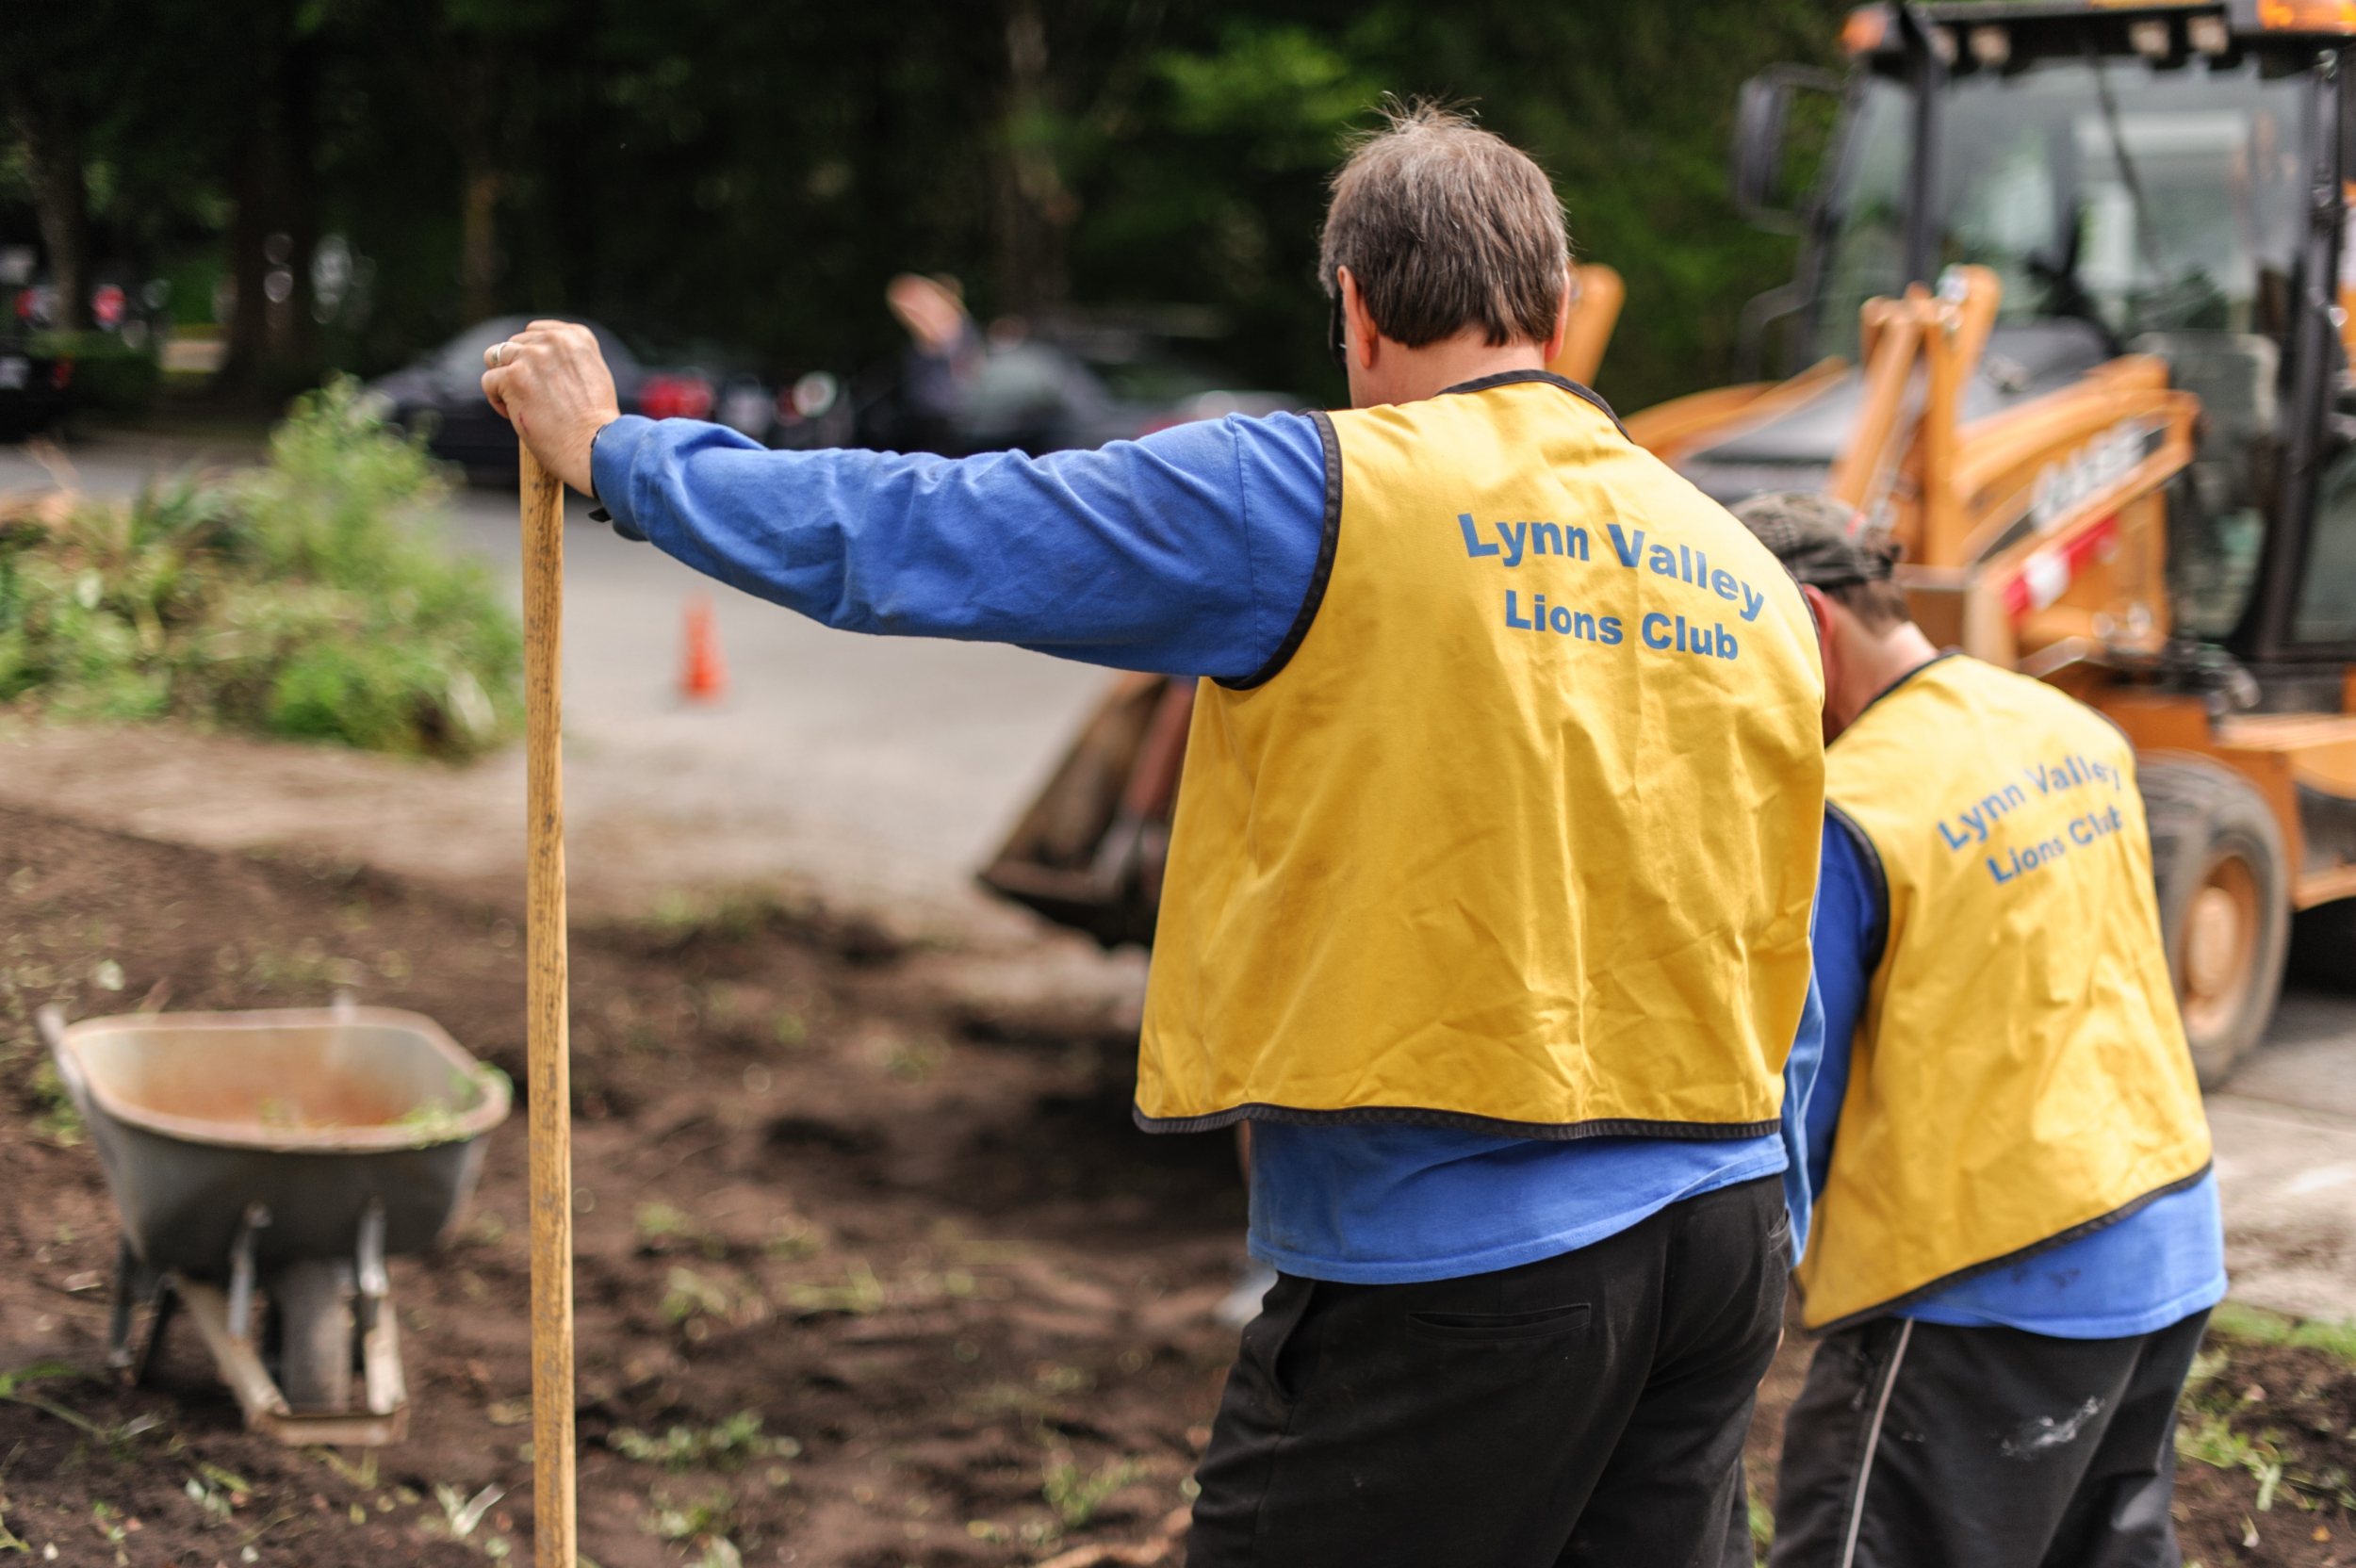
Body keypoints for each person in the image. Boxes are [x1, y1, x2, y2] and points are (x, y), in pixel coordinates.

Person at [484, 102, 1828, 1567]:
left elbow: (915, 530)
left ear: (1357, 312)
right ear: (1560, 313)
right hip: (1727, 1235)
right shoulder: (1735, 563)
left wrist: (622, 458)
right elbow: (1781, 918)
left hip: (1467, 1254)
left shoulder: (1312, 495)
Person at [1730, 493, 2224, 1568]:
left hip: (1978, 1287)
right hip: (2165, 1233)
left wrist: (1739, 1282)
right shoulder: (2073, 729)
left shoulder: (1850, 807)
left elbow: (1788, 1093)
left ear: (1809, 626)